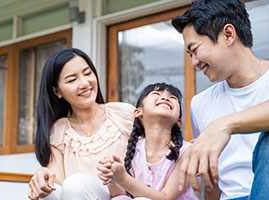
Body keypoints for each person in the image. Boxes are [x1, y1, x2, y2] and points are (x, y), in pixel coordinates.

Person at [171, 0, 269, 199]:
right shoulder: (200, 104)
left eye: (195, 50)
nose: (194, 62)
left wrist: (226, 124)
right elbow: (211, 180)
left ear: (228, 35)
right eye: (190, 55)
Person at [28, 48, 135, 200]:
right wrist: (42, 176)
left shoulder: (123, 114)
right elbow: (56, 182)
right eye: (72, 80)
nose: (84, 83)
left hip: (125, 196)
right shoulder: (59, 131)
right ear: (57, 91)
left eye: (87, 73)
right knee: (54, 191)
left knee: (76, 183)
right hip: (80, 195)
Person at [97, 82, 198, 200]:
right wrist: (113, 179)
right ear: (138, 112)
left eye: (172, 98)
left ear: (178, 122)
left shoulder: (186, 152)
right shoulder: (134, 148)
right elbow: (123, 196)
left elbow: (166, 197)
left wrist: (124, 179)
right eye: (156, 93)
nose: (165, 97)